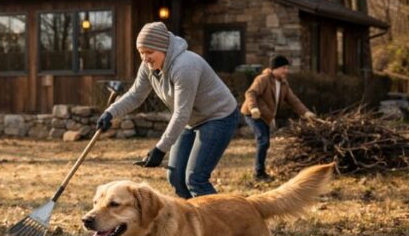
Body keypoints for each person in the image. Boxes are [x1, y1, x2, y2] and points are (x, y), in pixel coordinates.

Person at [95, 22, 240, 198]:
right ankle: (193, 223)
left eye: (149, 52)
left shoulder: (185, 66)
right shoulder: (148, 67)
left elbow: (181, 113)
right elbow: (135, 96)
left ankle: (220, 224)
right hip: (191, 120)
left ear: (164, 49)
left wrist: (160, 149)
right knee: (176, 178)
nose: (145, 57)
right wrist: (110, 113)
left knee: (195, 179)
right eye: (141, 52)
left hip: (218, 117)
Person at [241, 55, 317, 181]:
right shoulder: (263, 79)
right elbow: (251, 93)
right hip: (253, 114)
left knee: (265, 142)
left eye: (287, 68)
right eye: (283, 68)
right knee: (263, 141)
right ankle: (258, 174)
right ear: (274, 68)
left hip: (265, 115)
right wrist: (254, 108)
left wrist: (306, 113)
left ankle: (260, 172)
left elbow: (293, 100)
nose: (286, 71)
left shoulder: (283, 84)